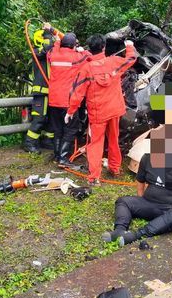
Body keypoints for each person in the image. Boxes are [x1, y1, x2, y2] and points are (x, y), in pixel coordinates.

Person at [102, 124, 172, 246]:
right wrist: (141, 199)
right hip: (150, 204)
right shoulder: (147, 159)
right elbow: (140, 180)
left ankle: (135, 235)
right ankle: (119, 231)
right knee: (123, 201)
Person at [67, 35, 137, 184]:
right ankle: (114, 168)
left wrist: (70, 111)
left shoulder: (86, 69)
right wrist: (129, 46)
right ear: (104, 47)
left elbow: (77, 92)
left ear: (90, 49)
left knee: (96, 143)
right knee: (113, 139)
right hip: (115, 110)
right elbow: (131, 59)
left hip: (98, 113)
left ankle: (94, 177)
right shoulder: (113, 62)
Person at [47, 32, 91, 167]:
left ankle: (57, 154)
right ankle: (63, 158)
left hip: (53, 100)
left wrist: (57, 38)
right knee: (70, 129)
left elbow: (55, 45)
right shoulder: (76, 57)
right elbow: (90, 56)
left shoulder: (53, 54)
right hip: (68, 101)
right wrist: (81, 49)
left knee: (57, 129)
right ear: (73, 45)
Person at [23, 22, 56, 153]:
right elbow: (46, 48)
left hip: (51, 91)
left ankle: (47, 140)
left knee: (50, 119)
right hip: (41, 92)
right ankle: (29, 143)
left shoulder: (50, 52)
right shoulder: (37, 52)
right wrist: (48, 33)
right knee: (40, 118)